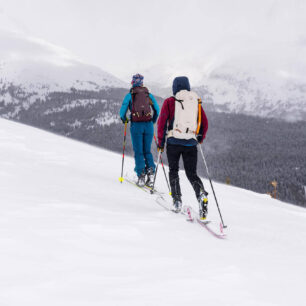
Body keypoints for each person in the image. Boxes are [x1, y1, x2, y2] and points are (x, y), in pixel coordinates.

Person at [157, 76, 209, 219]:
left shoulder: (170, 101)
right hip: (191, 143)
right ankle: (201, 195)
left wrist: (160, 143)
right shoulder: (195, 102)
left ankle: (177, 201)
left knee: (174, 171)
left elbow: (161, 123)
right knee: (191, 173)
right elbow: (204, 122)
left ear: (174, 87)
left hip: (173, 142)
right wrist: (199, 138)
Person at [120, 74, 160, 187]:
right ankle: (151, 174)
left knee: (138, 151)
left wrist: (125, 119)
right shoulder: (148, 95)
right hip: (148, 125)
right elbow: (157, 109)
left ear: (133, 82)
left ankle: (141, 175)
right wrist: (153, 120)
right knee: (147, 151)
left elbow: (122, 112)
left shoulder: (130, 95)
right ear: (142, 83)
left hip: (136, 125)